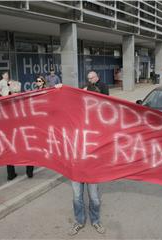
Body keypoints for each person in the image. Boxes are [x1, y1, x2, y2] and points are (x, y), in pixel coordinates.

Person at [68, 71, 108, 236]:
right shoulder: (73, 117)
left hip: (93, 166)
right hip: (76, 165)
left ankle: (96, 221)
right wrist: (55, 88)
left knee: (95, 198)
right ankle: (79, 221)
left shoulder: (101, 119)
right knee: (77, 198)